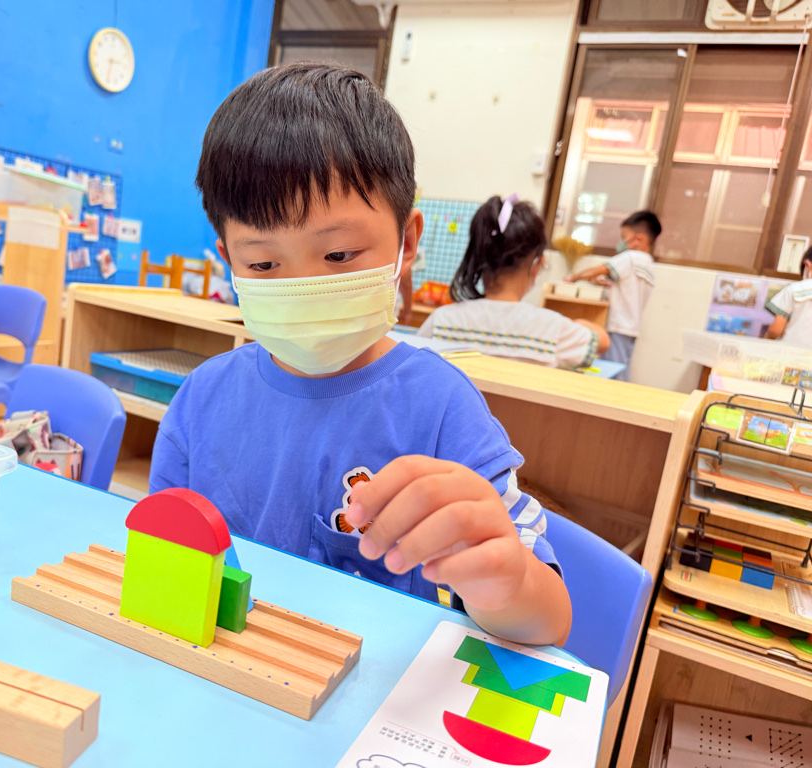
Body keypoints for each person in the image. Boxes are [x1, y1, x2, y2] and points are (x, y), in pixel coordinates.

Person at [150, 63, 571, 646]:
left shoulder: (441, 407)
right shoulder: (203, 399)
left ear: (407, 242)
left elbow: (548, 619)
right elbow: (164, 560)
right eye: (264, 263)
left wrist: (506, 581)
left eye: (340, 254)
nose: (303, 285)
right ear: (228, 258)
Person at [417, 195, 609, 369]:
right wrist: (579, 322)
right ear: (537, 265)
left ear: (478, 258)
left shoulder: (440, 322)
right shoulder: (553, 329)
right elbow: (602, 342)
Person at [567, 210, 659, 381]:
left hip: (618, 326)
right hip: (631, 328)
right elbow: (623, 284)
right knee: (622, 370)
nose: (621, 242)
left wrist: (573, 278)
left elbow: (597, 270)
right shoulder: (648, 264)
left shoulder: (629, 257)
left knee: (611, 372)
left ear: (638, 239)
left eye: (624, 237)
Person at [764, 242, 812, 351]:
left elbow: (775, 330)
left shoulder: (795, 289)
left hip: (791, 353)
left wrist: (764, 341)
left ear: (808, 265)